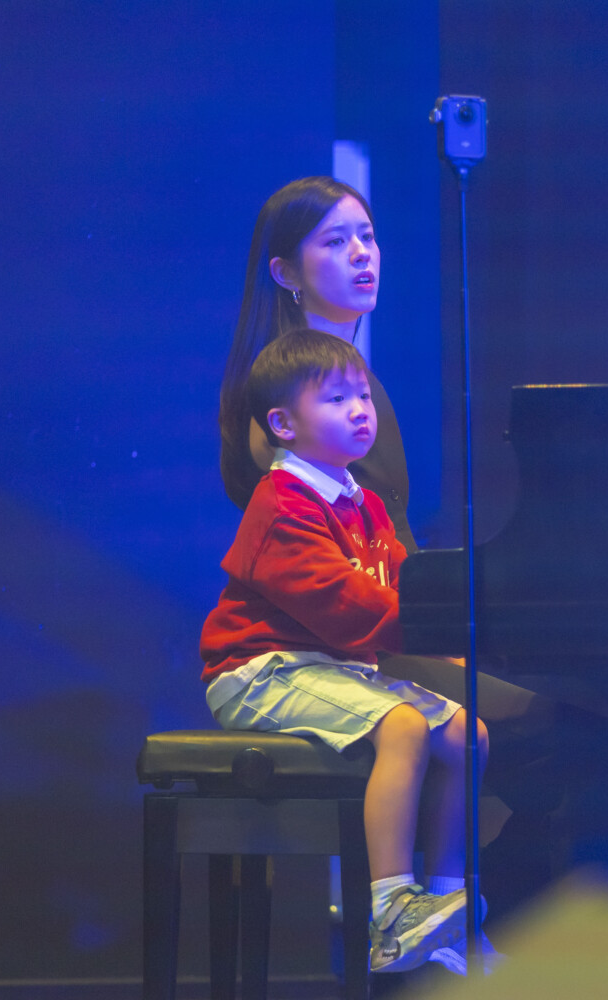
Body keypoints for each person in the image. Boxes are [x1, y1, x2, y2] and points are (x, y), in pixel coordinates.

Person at [218, 176, 608, 920]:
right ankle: (459, 924)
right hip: (347, 646)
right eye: (335, 242)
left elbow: (393, 543)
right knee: (578, 743)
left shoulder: (351, 382)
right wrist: (442, 637)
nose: (363, 255)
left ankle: (469, 917)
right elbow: (326, 581)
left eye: (368, 237)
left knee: (595, 728)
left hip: (394, 622)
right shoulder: (282, 402)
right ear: (286, 272)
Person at [201, 328, 488, 974]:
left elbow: (394, 591)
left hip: (324, 668)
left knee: (470, 734)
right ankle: (389, 910)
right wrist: (436, 632)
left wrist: (447, 643)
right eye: (336, 400)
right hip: (259, 672)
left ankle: (444, 912)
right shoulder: (282, 504)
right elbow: (344, 604)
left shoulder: (366, 505)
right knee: (406, 725)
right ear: (283, 423)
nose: (362, 409)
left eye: (363, 395)